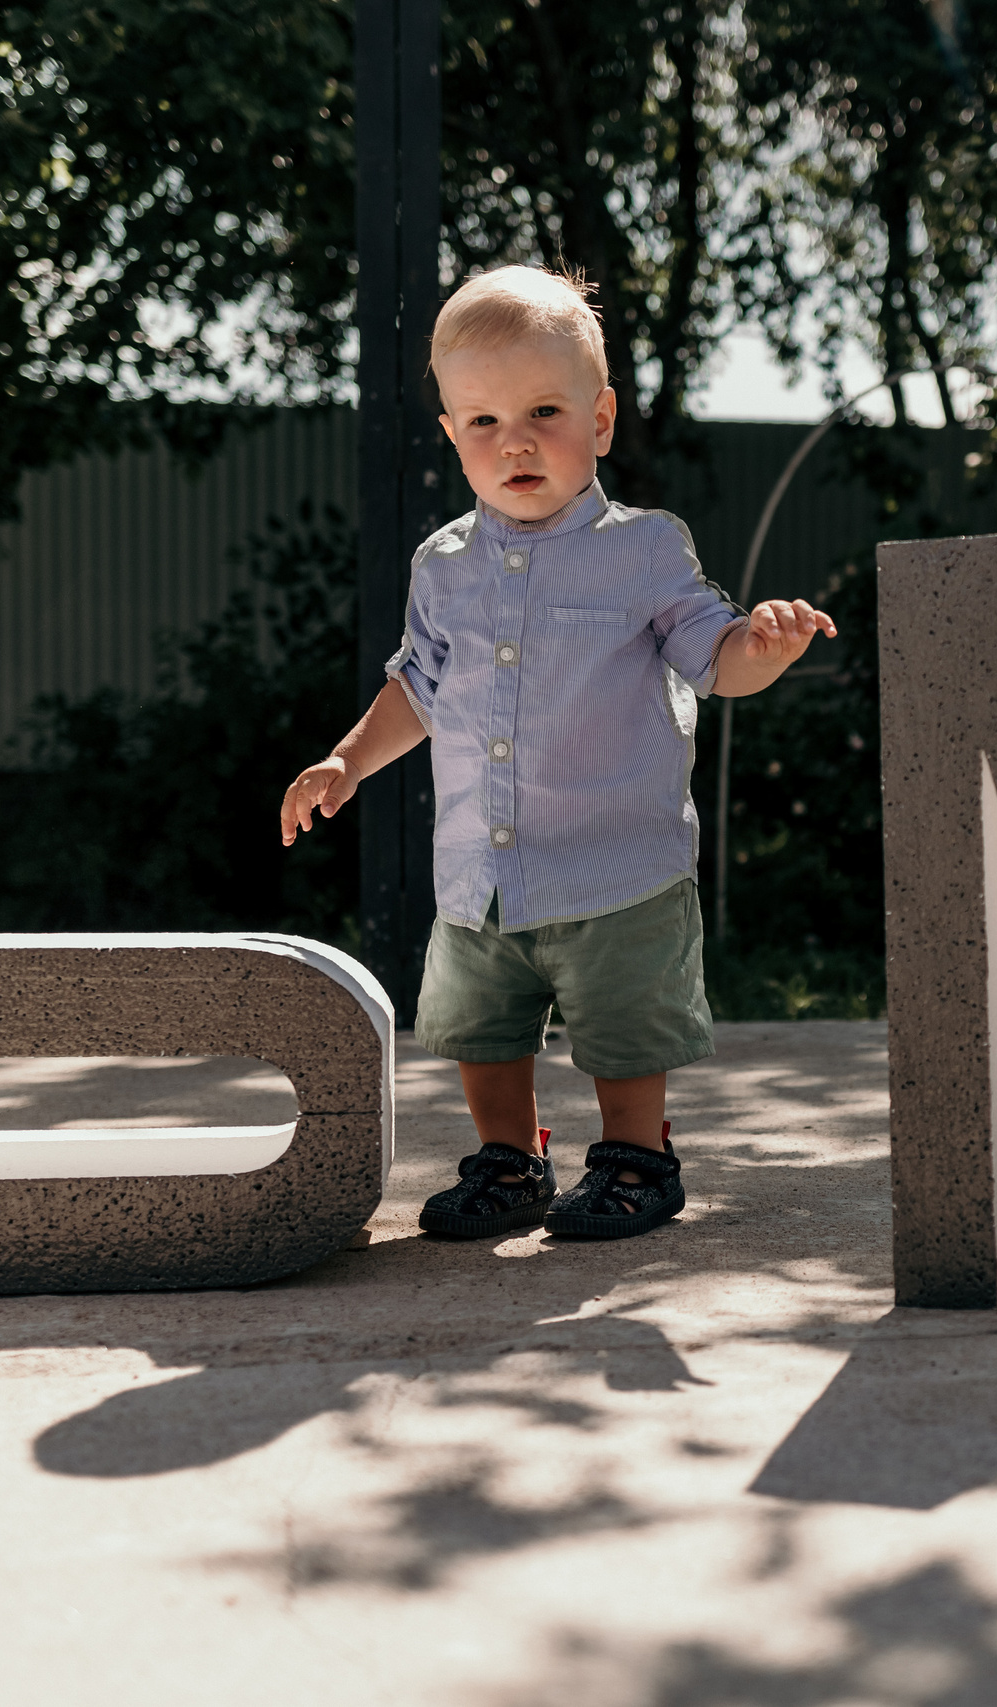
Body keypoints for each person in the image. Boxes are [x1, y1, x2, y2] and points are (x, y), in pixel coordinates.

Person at [279, 264, 834, 1241]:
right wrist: (347, 759)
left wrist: (765, 647)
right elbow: (418, 686)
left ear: (601, 419)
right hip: (481, 868)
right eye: (482, 422)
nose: (516, 440)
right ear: (451, 435)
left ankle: (636, 1157)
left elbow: (715, 658)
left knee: (624, 1030)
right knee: (482, 1032)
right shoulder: (441, 566)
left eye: (543, 409)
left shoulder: (646, 550)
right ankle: (508, 1160)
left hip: (615, 863)